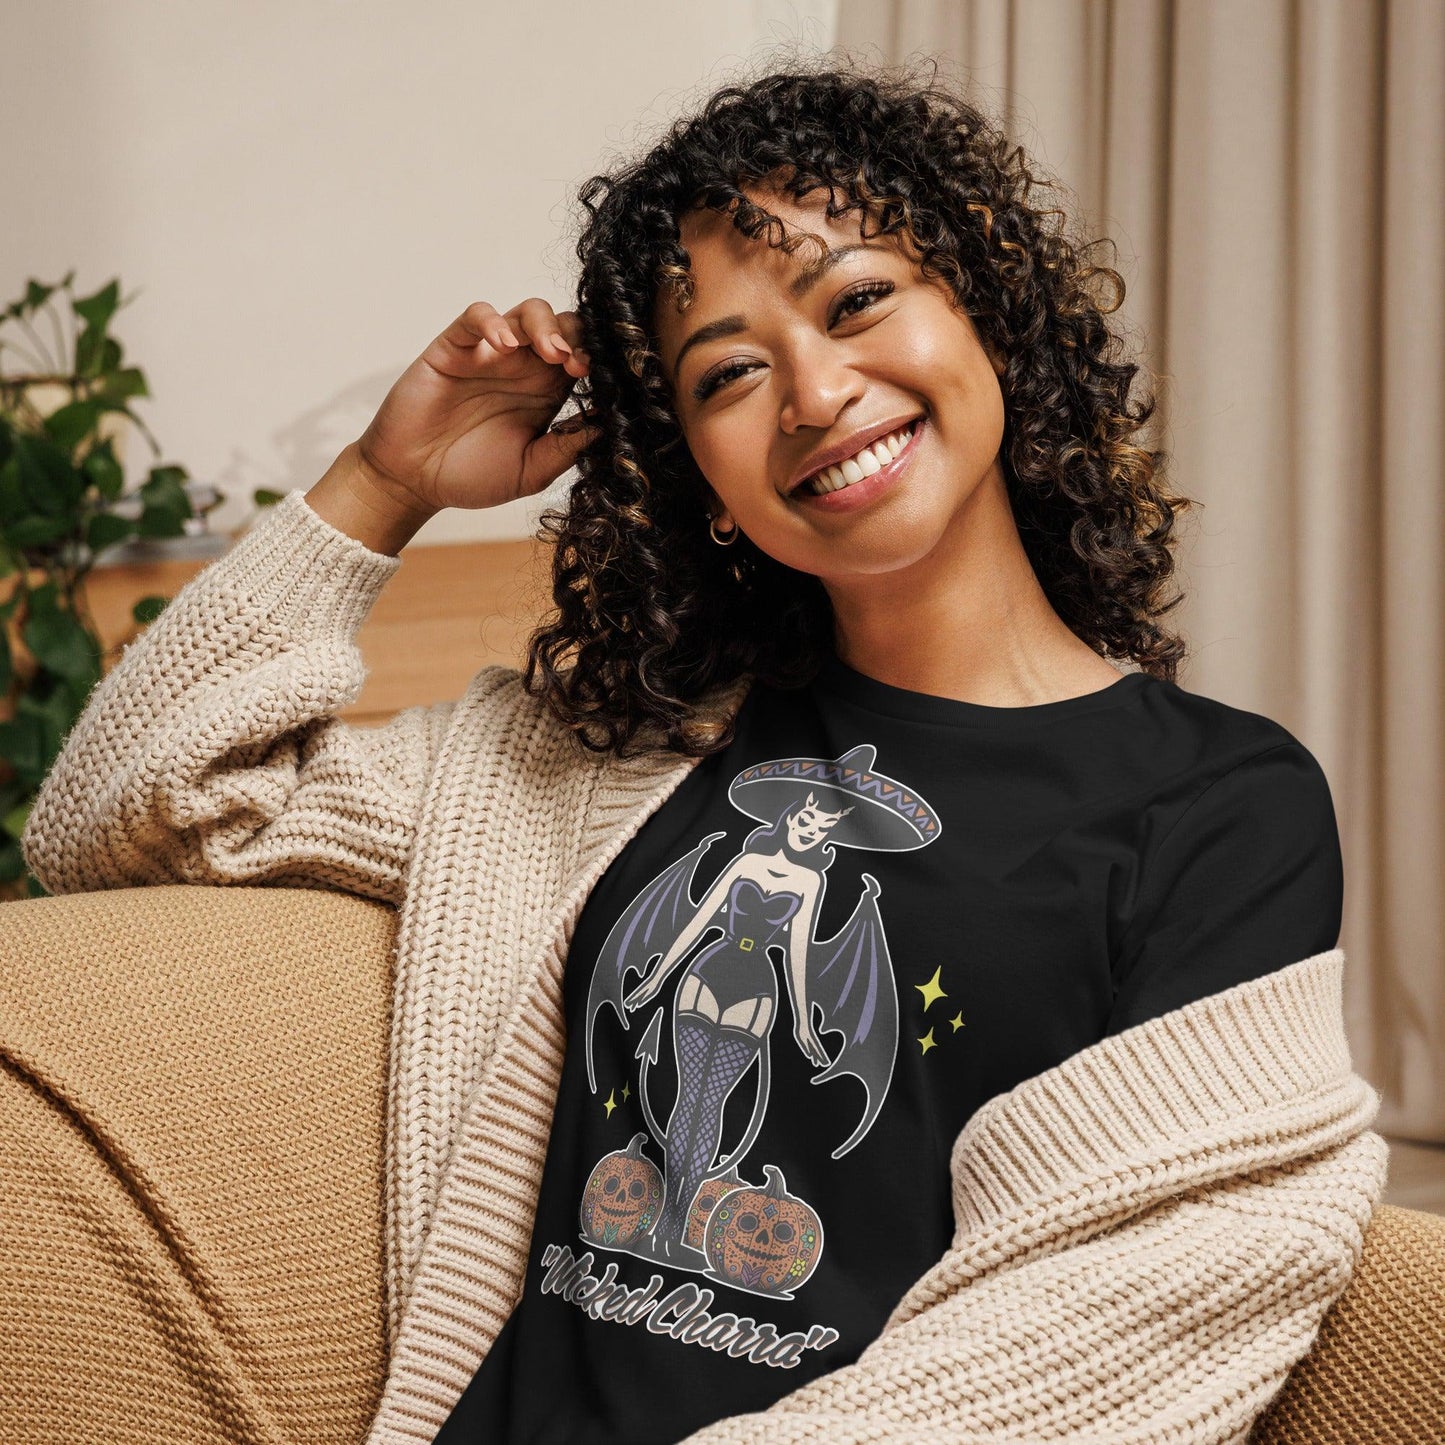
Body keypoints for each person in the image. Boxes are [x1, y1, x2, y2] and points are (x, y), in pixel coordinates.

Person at [14, 57, 1383, 1445]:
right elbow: (126, 813)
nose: (814, 392)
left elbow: (1124, 1316)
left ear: (986, 313)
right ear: (703, 479)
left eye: (857, 301)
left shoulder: (1216, 805)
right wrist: (381, 485)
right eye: (729, 372)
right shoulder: (608, 758)